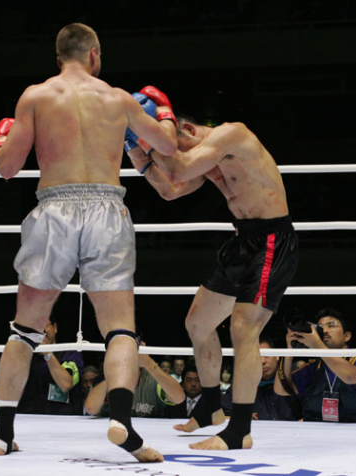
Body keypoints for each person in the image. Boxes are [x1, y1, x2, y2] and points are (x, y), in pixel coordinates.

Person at [0, 23, 177, 461]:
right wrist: (164, 110)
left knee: (26, 328)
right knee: (120, 328)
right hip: (107, 210)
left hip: (53, 209)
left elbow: (7, 168)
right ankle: (122, 422)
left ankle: (1, 435)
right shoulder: (118, 98)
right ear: (94, 54)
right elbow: (166, 145)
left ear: (58, 59)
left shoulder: (35, 96)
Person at [127, 112, 298, 450]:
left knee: (244, 329)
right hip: (242, 241)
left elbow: (177, 168)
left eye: (174, 146)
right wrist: (134, 149)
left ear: (188, 130)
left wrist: (149, 138)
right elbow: (170, 190)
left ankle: (240, 431)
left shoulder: (232, 134)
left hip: (271, 242)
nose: (174, 154)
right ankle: (210, 406)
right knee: (198, 323)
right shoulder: (206, 155)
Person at [274, 308, 356, 423]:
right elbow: (281, 390)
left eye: (331, 326)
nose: (324, 331)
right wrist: (290, 351)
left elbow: (350, 377)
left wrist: (317, 345)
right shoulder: (315, 365)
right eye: (320, 327)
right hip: (325, 429)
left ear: (347, 336)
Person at [84, 349, 185, 418]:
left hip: (149, 435)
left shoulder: (154, 378)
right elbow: (91, 408)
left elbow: (179, 398)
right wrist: (114, 373)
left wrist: (148, 363)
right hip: (113, 434)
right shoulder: (106, 377)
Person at [18, 317, 84, 415]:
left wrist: (47, 353)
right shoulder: (25, 356)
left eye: (44, 326)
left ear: (55, 328)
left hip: (63, 418)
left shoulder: (70, 353)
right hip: (27, 417)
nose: (41, 332)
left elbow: (66, 385)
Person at [222, 336, 294, 421]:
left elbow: (305, 413)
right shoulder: (240, 387)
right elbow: (222, 417)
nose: (262, 361)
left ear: (277, 356)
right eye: (256, 357)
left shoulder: (292, 379)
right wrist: (242, 419)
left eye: (266, 355)